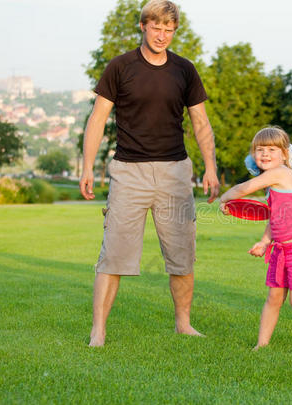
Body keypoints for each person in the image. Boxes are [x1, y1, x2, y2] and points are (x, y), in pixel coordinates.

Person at [79, 0, 219, 347]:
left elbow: (201, 122)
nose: (162, 35)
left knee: (182, 254)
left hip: (175, 172)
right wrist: (87, 167)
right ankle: (99, 330)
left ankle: (183, 324)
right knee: (113, 253)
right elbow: (97, 119)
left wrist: (211, 168)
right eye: (156, 27)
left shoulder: (184, 70)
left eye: (169, 29)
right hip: (129, 173)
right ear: (143, 26)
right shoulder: (120, 67)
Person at [220, 127, 292, 349]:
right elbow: (275, 217)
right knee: (273, 299)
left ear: (285, 154)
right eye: (260, 149)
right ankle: (262, 345)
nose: (265, 154)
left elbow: (245, 188)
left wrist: (225, 198)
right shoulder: (271, 182)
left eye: (272, 149)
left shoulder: (280, 173)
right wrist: (265, 242)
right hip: (281, 249)